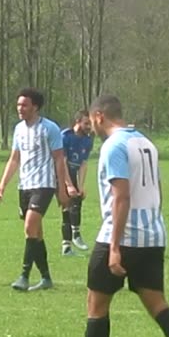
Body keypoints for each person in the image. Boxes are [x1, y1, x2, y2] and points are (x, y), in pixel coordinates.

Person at [60, 94, 169, 337]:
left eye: (93, 121)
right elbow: (158, 189)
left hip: (122, 235)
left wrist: (114, 246)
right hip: (153, 235)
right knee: (157, 303)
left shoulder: (114, 146)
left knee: (95, 304)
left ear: (99, 116)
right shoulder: (146, 143)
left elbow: (121, 196)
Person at [0, 88, 76, 291]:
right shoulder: (19, 129)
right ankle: (46, 278)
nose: (20, 108)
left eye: (24, 105)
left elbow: (59, 159)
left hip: (44, 184)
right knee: (36, 234)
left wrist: (64, 186)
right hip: (25, 185)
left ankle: (24, 276)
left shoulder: (50, 128)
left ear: (35, 107)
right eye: (18, 104)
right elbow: (14, 159)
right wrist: (3, 183)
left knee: (30, 227)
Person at [60, 110, 94, 256]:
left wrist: (80, 185)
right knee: (69, 205)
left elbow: (83, 164)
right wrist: (68, 184)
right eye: (86, 123)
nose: (89, 127)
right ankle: (75, 235)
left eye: (91, 124)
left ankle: (67, 246)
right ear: (77, 121)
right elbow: (62, 162)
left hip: (74, 174)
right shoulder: (65, 137)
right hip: (61, 175)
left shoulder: (88, 139)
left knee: (74, 203)